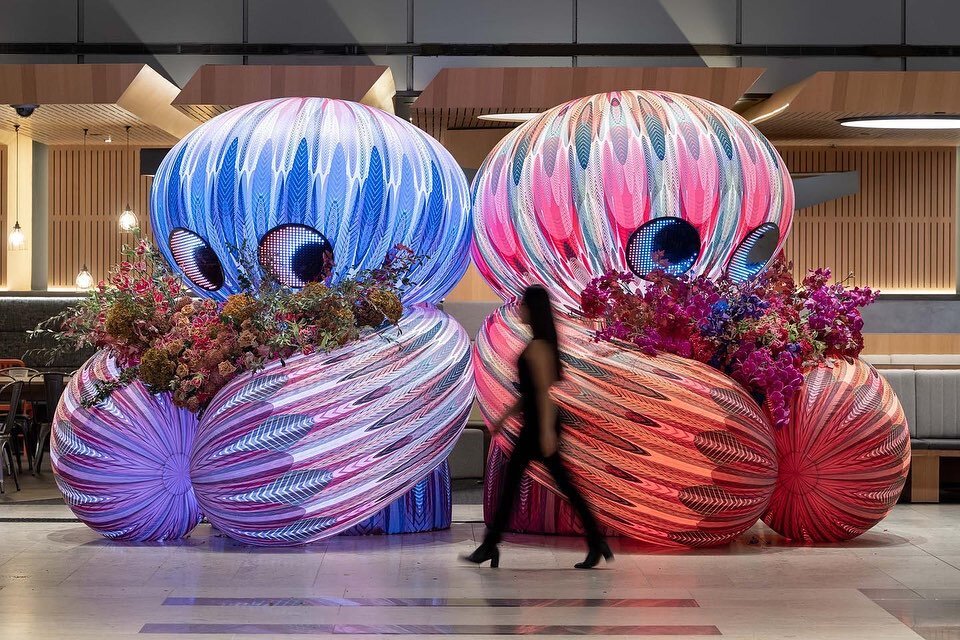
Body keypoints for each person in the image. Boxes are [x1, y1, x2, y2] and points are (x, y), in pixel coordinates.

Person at [462, 285, 612, 570]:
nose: (519, 308)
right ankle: (594, 542)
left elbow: (543, 394)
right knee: (538, 484)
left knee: (556, 485)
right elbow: (530, 393)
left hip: (540, 426)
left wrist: (545, 433)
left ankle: (490, 545)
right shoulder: (538, 344)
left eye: (523, 304)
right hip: (535, 423)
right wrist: (506, 417)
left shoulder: (540, 347)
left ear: (533, 309)